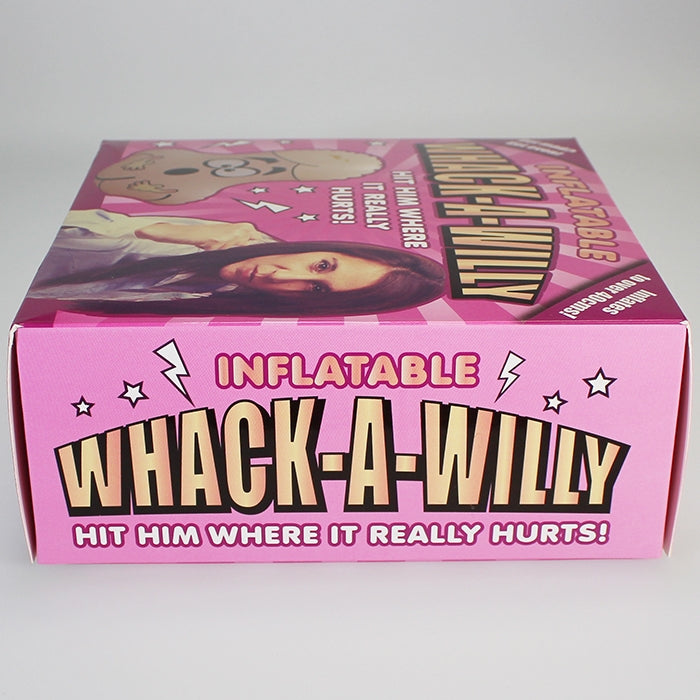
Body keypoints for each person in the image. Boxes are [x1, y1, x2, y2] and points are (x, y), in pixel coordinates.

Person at [29, 210, 445, 317]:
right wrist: (150, 229)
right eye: (321, 266)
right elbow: (54, 235)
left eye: (317, 289)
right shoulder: (225, 238)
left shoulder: (223, 309)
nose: (281, 275)